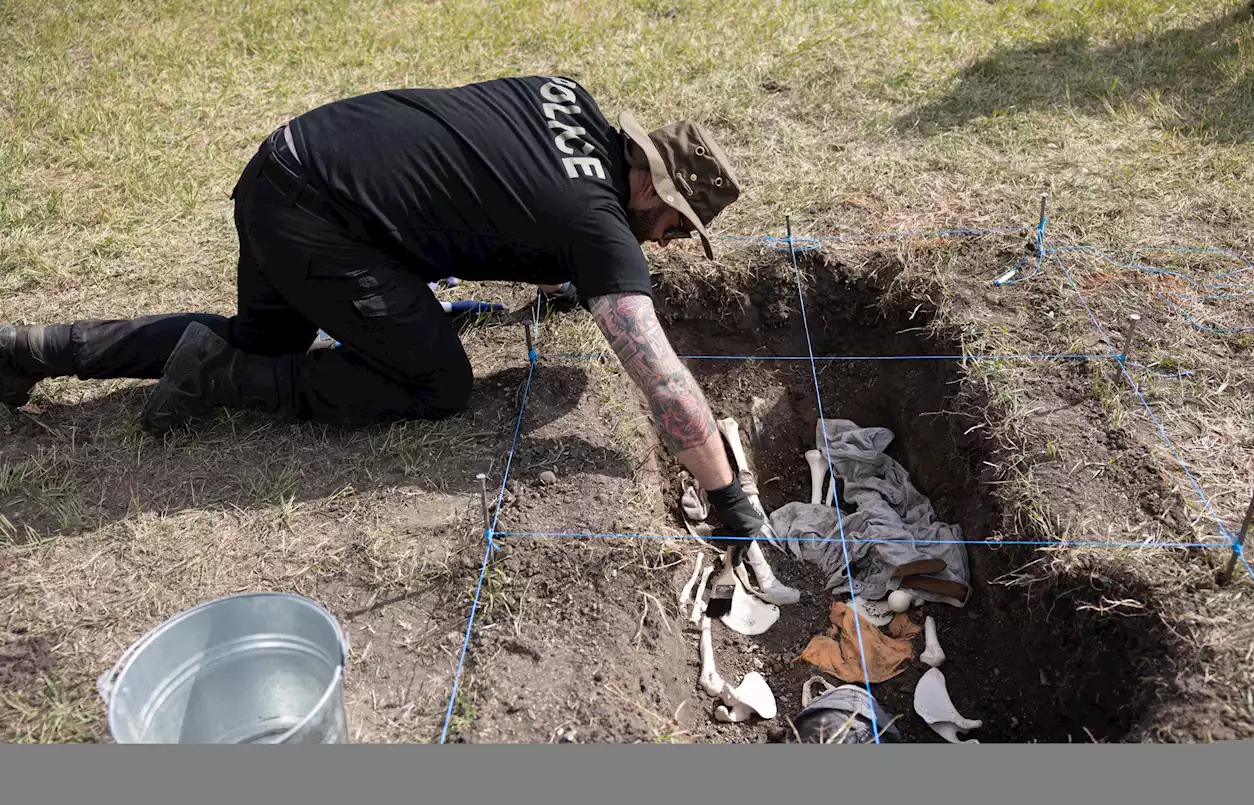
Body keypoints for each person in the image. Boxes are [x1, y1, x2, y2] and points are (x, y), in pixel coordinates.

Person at [1, 75, 767, 544]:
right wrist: (725, 495)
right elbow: (658, 374)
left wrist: (566, 274)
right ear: (653, 189)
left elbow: (498, 177)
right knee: (438, 384)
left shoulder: (567, 97)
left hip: (285, 164)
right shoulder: (598, 225)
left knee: (265, 335)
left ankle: (33, 348)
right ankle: (224, 379)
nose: (665, 245)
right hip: (324, 223)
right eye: (675, 228)